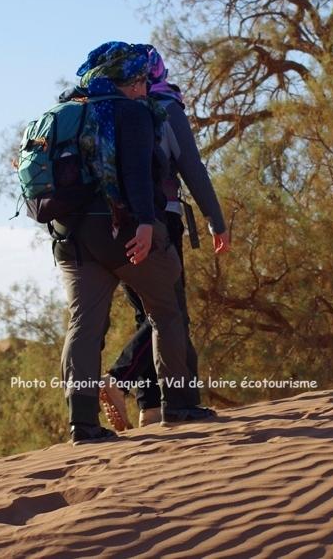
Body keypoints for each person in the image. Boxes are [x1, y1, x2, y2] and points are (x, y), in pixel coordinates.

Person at [53, 41, 215, 444]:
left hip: (69, 238)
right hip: (122, 231)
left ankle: (83, 425)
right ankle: (178, 404)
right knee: (166, 310)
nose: (145, 86)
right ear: (125, 80)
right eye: (140, 79)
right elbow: (138, 173)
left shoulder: (64, 112)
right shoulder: (133, 112)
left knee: (84, 325)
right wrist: (145, 223)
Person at [99, 45, 231, 430]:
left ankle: (150, 408)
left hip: (113, 226)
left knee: (148, 313)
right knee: (169, 315)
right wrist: (216, 220)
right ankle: (124, 380)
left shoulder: (112, 110)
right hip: (160, 222)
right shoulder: (164, 107)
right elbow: (192, 167)